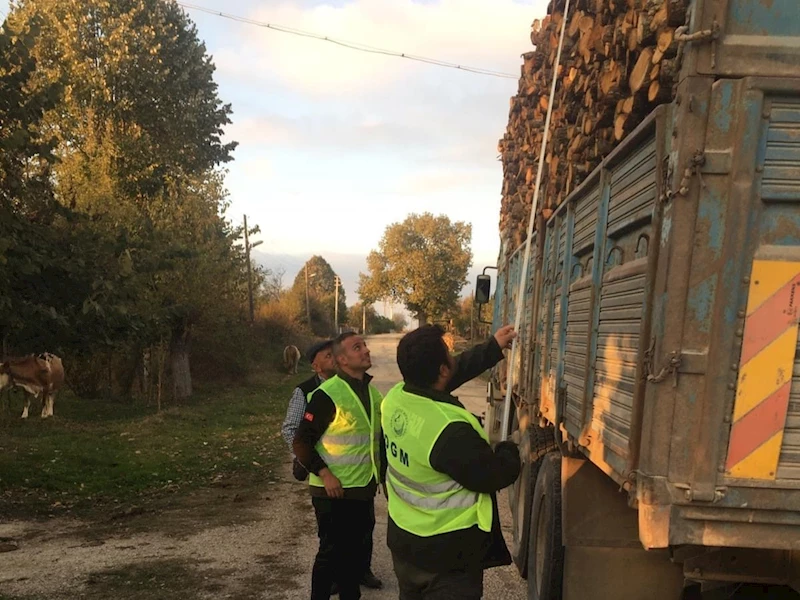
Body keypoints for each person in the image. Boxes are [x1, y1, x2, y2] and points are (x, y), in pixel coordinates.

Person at [382, 324, 521, 600]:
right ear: (443, 370)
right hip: (446, 559)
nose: (453, 357)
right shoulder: (449, 431)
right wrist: (512, 447)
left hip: (405, 544)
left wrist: (492, 347)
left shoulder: (396, 398)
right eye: (448, 354)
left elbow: (451, 373)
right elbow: (493, 476)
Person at [293, 332, 384, 600]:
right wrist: (325, 473)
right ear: (341, 359)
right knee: (331, 554)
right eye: (358, 347)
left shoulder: (372, 393)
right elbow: (301, 442)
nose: (366, 351)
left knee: (354, 555)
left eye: (365, 345)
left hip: (361, 489)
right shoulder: (327, 394)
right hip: (332, 491)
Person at [281, 340, 337, 481]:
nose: (335, 359)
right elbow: (290, 429)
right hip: (321, 473)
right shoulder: (304, 391)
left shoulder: (351, 387)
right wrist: (306, 458)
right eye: (328, 356)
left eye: (335, 354)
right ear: (316, 367)